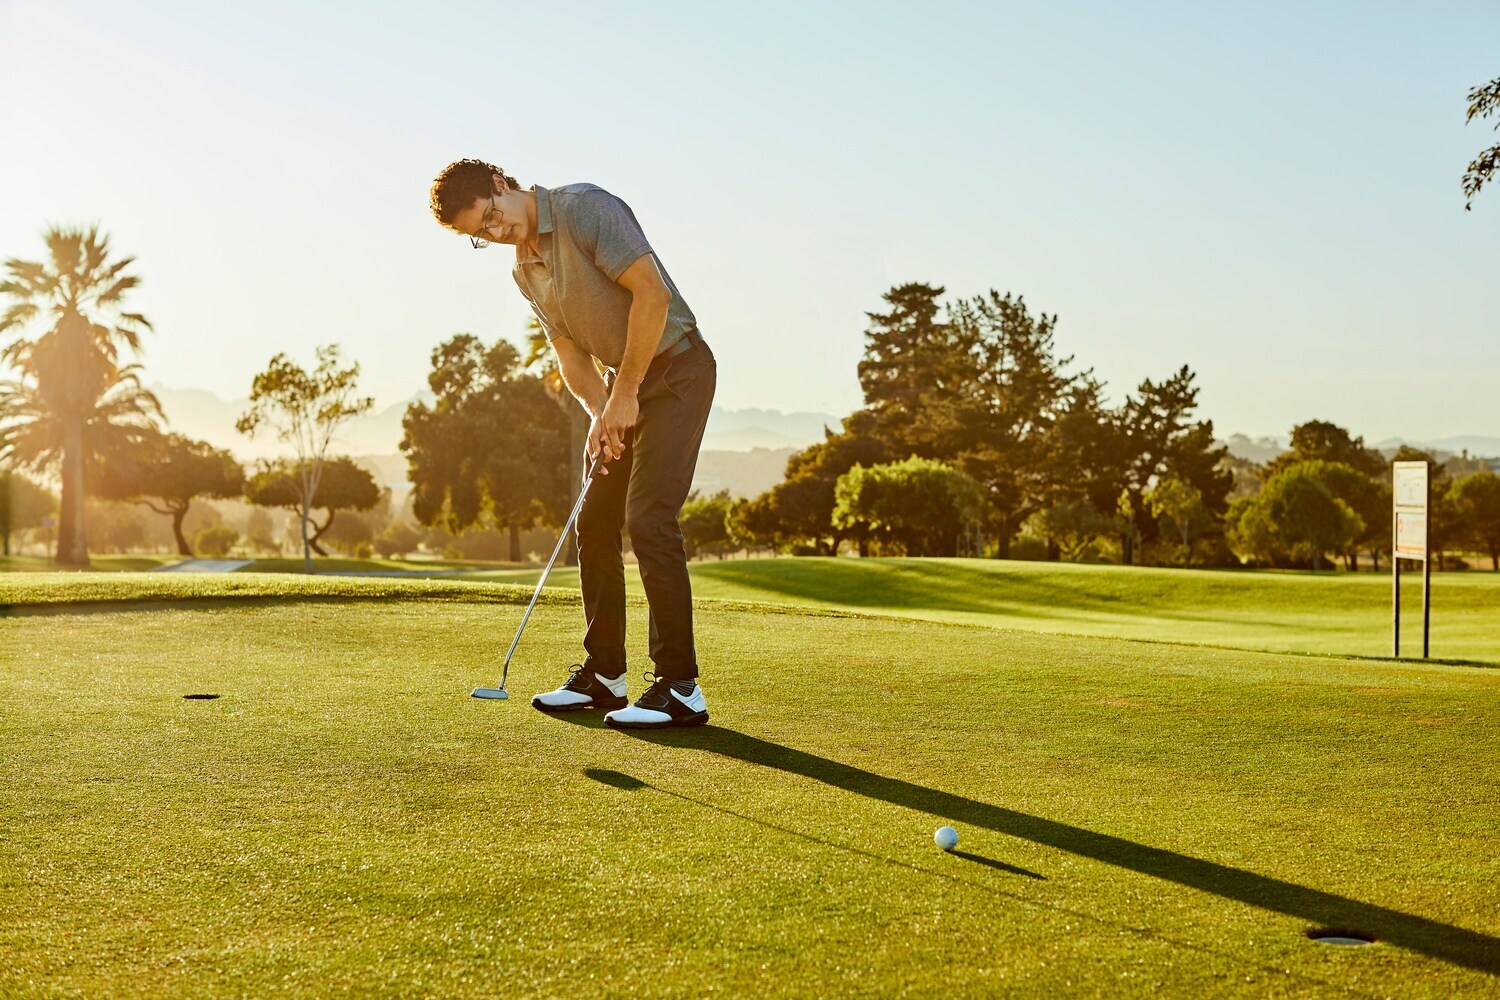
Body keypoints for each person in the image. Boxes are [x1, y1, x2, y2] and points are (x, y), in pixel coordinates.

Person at [429, 159, 715, 729]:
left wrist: (626, 392)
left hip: (677, 371)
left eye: (492, 215)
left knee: (650, 518)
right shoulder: (525, 270)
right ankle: (606, 675)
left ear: (502, 183)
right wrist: (598, 411)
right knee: (596, 519)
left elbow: (652, 297)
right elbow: (568, 353)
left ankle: (680, 687)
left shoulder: (587, 208)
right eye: (479, 235)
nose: (495, 231)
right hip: (623, 386)